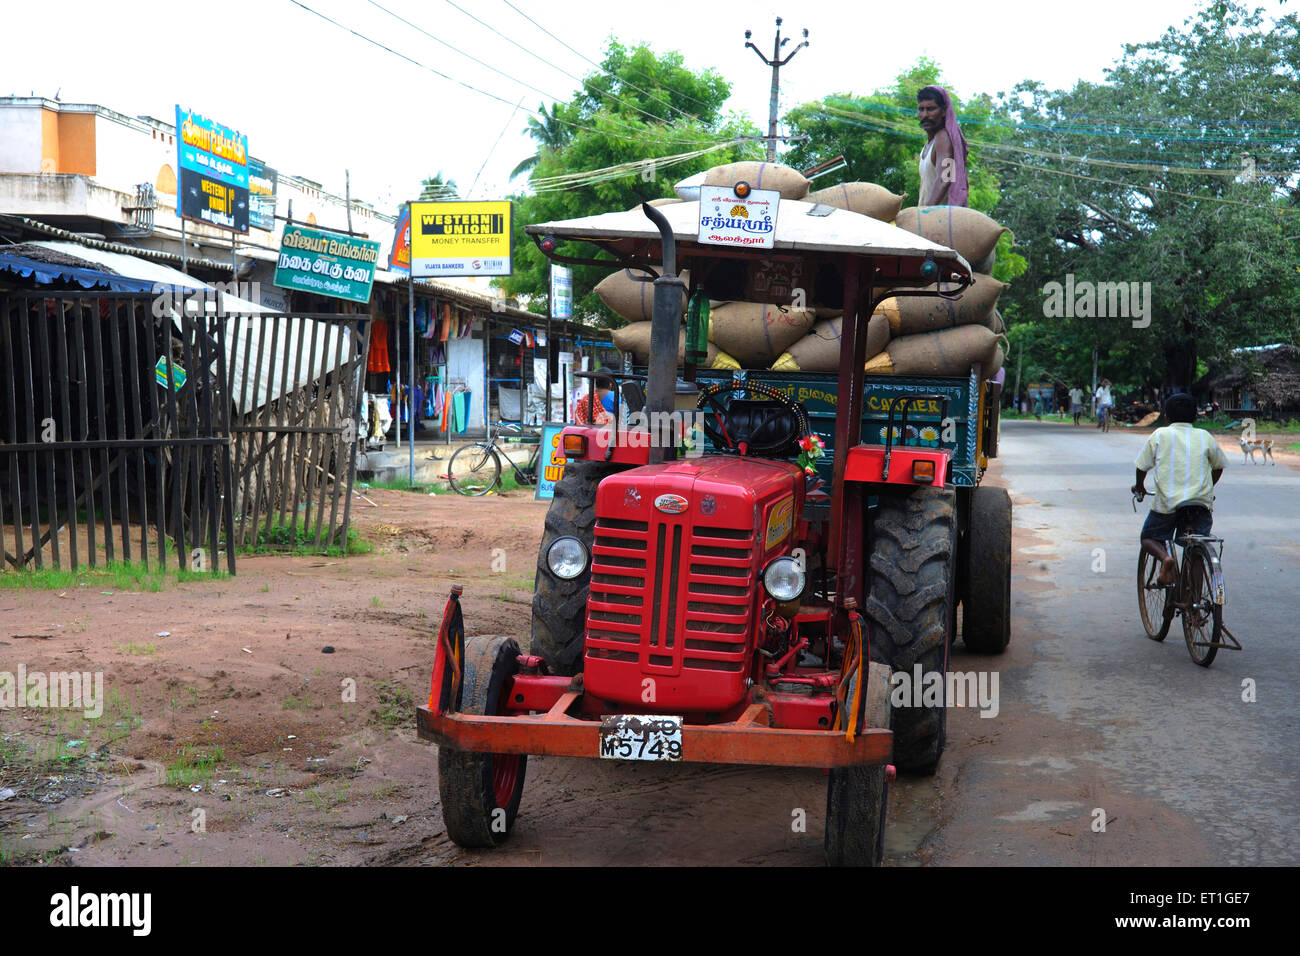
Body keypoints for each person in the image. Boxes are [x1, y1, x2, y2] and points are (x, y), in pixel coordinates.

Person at [1132, 393, 1227, 586]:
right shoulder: (1205, 436)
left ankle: (1165, 559)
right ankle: (1196, 612)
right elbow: (1218, 466)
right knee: (1196, 550)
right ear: (1195, 417)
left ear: (1166, 417)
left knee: (1148, 537)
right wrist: (1206, 488)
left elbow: (1141, 467)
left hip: (1167, 504)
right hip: (1199, 504)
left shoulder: (1160, 435)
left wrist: (1140, 487)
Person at [916, 86, 969, 207]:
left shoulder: (943, 138)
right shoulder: (929, 144)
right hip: (928, 218)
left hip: (940, 219)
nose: (925, 115)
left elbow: (945, 178)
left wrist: (924, 213)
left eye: (931, 109)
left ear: (944, 111)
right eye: (921, 109)